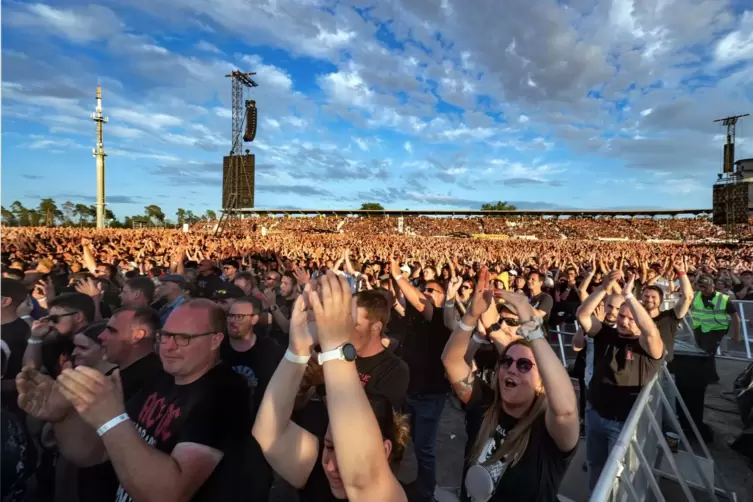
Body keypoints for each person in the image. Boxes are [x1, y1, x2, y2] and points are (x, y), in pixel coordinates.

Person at [19, 300, 254, 502]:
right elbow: (91, 454)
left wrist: (112, 418)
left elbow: (169, 494)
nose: (169, 347)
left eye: (183, 338)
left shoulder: (224, 391)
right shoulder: (161, 377)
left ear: (215, 340)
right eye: (165, 336)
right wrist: (61, 415)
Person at [253, 276, 409, 502]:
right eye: (328, 447)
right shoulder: (321, 471)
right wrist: (298, 350)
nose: (330, 465)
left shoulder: (387, 494)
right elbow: (267, 433)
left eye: (351, 324)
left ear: (385, 451)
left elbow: (360, 478)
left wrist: (335, 352)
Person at [441, 267, 579, 502]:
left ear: (543, 378)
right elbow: (451, 361)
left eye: (524, 365)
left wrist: (530, 321)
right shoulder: (486, 405)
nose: (512, 367)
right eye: (506, 361)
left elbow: (566, 411)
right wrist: (472, 315)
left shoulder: (546, 427)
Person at [577, 270, 664, 491]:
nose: (624, 320)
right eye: (621, 316)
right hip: (595, 415)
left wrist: (630, 297)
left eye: (630, 317)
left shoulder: (646, 346)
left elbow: (651, 332)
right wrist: (603, 288)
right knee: (595, 465)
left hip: (623, 425)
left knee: (619, 476)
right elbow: (583, 315)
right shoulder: (607, 334)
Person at [390, 257, 452, 502]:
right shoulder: (415, 317)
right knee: (401, 443)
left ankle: (426, 494)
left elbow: (416, 301)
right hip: (409, 390)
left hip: (429, 394)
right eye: (424, 288)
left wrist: (398, 275)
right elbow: (400, 300)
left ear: (443, 298)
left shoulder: (439, 318)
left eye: (431, 291)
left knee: (424, 449)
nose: (425, 293)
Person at [23, 292, 95, 378]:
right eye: (49, 319)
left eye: (55, 319)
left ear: (78, 317)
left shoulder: (95, 345)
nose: (51, 324)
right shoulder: (56, 342)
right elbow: (29, 371)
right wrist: (35, 337)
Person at [690, 275, 741, 383]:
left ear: (712, 285)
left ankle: (704, 378)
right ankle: (712, 378)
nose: (703, 289)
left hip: (717, 329)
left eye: (705, 287)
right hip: (700, 328)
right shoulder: (695, 296)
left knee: (707, 352)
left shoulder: (723, 298)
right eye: (701, 286)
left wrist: (736, 335)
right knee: (703, 353)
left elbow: (735, 317)